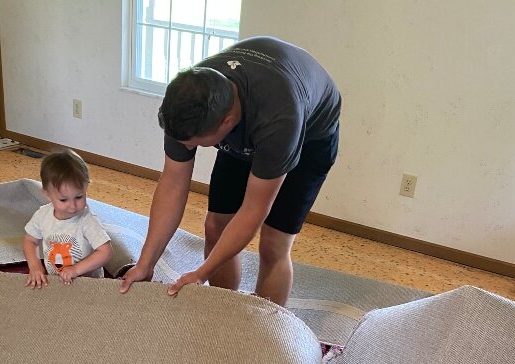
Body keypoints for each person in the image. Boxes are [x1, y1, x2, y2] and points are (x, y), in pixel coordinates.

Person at [119, 36, 341, 306]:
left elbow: (253, 210)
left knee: (273, 244)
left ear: (226, 122)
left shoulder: (279, 118)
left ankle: (264, 327)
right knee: (215, 227)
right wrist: (146, 262)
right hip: (251, 123)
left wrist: (201, 273)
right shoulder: (188, 101)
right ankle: (226, 309)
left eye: (197, 144)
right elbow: (173, 183)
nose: (187, 148)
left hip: (310, 138)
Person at [23, 149, 113, 289]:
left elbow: (106, 252)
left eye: (79, 197)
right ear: (47, 195)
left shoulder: (87, 220)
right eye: (63, 200)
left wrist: (76, 269)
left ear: (86, 187)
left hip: (88, 285)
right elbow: (30, 240)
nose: (73, 206)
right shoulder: (42, 215)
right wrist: (34, 265)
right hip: (56, 282)